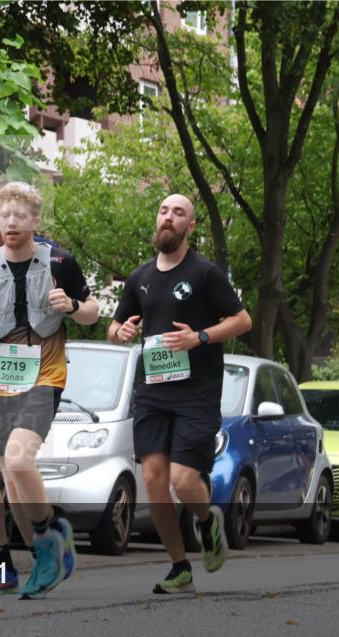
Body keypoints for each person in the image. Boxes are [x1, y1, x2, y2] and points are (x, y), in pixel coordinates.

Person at [0, 182, 100, 599]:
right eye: (5, 216)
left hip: (45, 373)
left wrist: (72, 306)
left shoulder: (59, 261)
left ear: (36, 221)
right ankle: (34, 552)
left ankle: (49, 536)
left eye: (20, 216)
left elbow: (92, 310)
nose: (11, 222)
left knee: (18, 463)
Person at [107, 194, 252, 594]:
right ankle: (178, 566)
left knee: (184, 480)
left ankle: (207, 522)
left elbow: (242, 320)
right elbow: (116, 324)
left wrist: (199, 337)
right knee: (154, 480)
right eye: (164, 211)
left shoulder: (205, 273)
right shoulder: (139, 277)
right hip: (153, 391)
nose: (169, 218)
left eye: (179, 213)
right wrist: (119, 332)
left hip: (197, 393)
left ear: (190, 226)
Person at [0, 176, 62, 595]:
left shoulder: (46, 260)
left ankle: (44, 545)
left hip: (33, 371)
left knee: (15, 467)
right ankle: (3, 563)